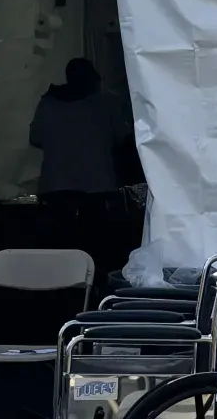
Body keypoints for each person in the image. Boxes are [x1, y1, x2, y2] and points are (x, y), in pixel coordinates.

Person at [29, 58, 135, 274]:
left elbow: (35, 137)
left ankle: (61, 283)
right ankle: (92, 283)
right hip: (96, 184)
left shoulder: (48, 103)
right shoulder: (106, 102)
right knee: (94, 245)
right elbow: (122, 136)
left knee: (61, 245)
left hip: (56, 184)